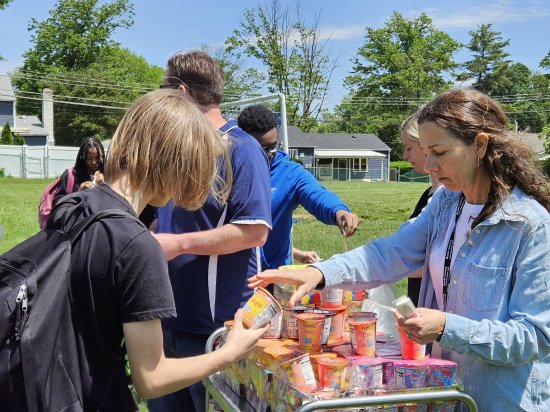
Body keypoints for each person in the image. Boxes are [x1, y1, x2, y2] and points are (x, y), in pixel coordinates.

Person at [248, 88, 550, 411]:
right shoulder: (446, 203)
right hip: (450, 395)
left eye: (439, 152)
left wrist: (447, 327)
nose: (429, 165)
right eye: (426, 152)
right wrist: (319, 273)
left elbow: (536, 337)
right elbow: (388, 254)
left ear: (480, 145)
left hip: (501, 401)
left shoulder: (531, 226)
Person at [50, 89, 268, 411]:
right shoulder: (138, 245)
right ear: (174, 162)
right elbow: (151, 379)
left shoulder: (75, 206)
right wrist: (229, 353)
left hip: (58, 386)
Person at [149, 52, 272, 412]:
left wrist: (177, 244)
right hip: (163, 321)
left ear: (181, 92)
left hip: (213, 331)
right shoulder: (175, 148)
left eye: (163, 89)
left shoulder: (241, 148)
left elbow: (254, 232)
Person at [237, 104, 359, 270]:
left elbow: (317, 194)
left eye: (273, 146)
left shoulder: (289, 173)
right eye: (260, 149)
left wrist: (339, 211)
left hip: (277, 274)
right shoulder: (227, 170)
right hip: (236, 274)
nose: (269, 154)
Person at [401, 111, 442, 306]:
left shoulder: (446, 197)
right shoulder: (429, 193)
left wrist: (386, 269)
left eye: (409, 148)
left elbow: (439, 261)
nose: (405, 156)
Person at [53, 136, 105, 206]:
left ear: (102, 156)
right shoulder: (70, 175)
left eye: (97, 157)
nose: (94, 162)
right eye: (89, 158)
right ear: (83, 157)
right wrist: (78, 194)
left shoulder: (109, 175)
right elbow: (57, 202)